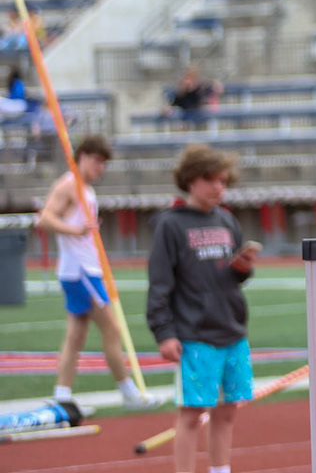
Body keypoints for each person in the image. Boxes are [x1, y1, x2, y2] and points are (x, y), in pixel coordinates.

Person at [148, 146, 258, 473]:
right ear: (191, 180)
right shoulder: (170, 225)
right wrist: (164, 332)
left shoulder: (226, 219)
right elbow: (159, 283)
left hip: (232, 331)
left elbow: (233, 277)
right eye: (210, 180)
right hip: (195, 335)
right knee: (192, 414)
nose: (218, 188)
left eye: (223, 181)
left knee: (228, 411)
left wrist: (243, 267)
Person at [37, 136, 153, 410]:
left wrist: (85, 230)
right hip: (81, 272)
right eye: (97, 161)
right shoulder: (69, 185)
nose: (101, 168)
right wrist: (76, 231)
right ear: (83, 156)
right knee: (112, 329)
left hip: (85, 269)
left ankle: (62, 397)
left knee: (76, 335)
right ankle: (129, 393)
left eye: (104, 164)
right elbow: (45, 218)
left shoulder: (85, 189)